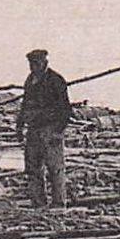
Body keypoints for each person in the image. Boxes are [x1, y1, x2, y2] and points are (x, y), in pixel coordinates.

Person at [16, 49, 72, 207]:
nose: (33, 67)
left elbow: (65, 110)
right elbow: (25, 105)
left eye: (36, 63)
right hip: (33, 130)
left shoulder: (55, 80)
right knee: (33, 168)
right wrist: (19, 127)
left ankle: (59, 204)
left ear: (45, 63)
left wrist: (58, 131)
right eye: (31, 64)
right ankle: (38, 203)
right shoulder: (30, 80)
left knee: (55, 168)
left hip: (50, 129)